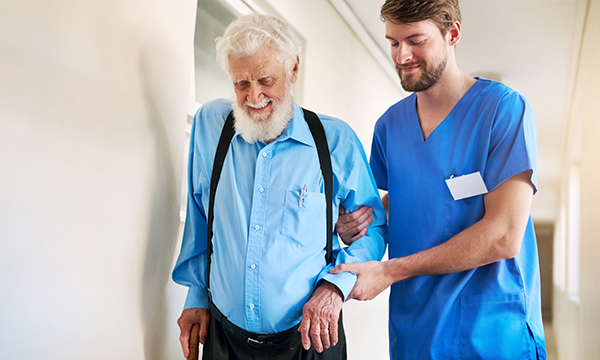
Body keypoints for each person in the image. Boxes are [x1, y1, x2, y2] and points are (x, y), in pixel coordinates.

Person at [332, 0, 547, 359]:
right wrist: (358, 223)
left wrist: (388, 271)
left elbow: (504, 236)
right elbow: (412, 196)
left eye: (415, 40)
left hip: (491, 331)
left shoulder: (502, 110)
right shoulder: (390, 127)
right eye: (393, 42)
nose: (402, 55)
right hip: (415, 329)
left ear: (453, 34)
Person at [172, 13, 387, 360]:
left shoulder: (335, 141)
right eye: (241, 83)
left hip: (309, 339)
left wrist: (336, 286)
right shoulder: (210, 126)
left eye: (265, 79)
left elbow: (373, 228)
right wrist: (196, 295)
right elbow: (201, 219)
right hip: (224, 338)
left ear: (293, 70)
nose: (253, 95)